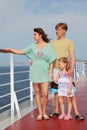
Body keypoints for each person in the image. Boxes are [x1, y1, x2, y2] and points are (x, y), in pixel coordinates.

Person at [4, 28, 57, 120]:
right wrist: (10, 49)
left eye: (35, 34)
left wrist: (51, 72)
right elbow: (21, 52)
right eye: (33, 35)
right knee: (37, 92)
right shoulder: (32, 46)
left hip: (45, 71)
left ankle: (44, 112)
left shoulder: (49, 46)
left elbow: (52, 60)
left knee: (45, 94)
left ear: (40, 35)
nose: (34, 36)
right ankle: (40, 113)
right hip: (35, 71)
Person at [50, 22, 84, 120]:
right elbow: (48, 55)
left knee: (71, 92)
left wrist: (72, 68)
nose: (57, 31)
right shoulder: (53, 42)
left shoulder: (69, 42)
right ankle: (57, 111)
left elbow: (73, 56)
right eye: (56, 29)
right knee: (56, 92)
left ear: (64, 30)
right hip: (56, 69)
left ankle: (76, 112)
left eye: (59, 29)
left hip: (66, 69)